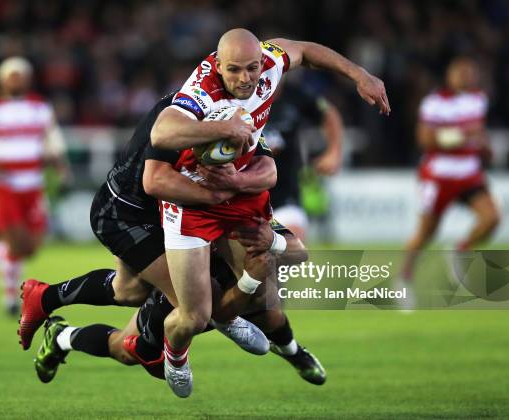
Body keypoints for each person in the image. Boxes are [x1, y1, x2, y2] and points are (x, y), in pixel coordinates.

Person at [150, 28, 389, 397]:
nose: (244, 79)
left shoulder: (271, 61)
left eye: (251, 68)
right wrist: (223, 127)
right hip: (191, 201)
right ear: (218, 65)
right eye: (233, 70)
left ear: (263, 61)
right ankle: (176, 354)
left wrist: (361, 74)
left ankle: (267, 332)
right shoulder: (201, 88)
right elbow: (161, 133)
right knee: (193, 318)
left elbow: (307, 49)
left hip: (239, 193)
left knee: (274, 285)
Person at [18, 92, 275, 354]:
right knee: (196, 308)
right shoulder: (179, 117)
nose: (246, 81)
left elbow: (267, 167)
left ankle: (51, 310)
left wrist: (235, 184)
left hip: (158, 212)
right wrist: (218, 195)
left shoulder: (232, 111)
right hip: (126, 213)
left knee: (129, 291)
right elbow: (154, 182)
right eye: (236, 69)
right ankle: (162, 346)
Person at [32, 218, 325, 387]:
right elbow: (221, 311)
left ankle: (294, 351)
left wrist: (273, 240)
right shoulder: (195, 211)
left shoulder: (249, 216)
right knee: (125, 349)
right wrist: (249, 280)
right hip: (181, 293)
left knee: (269, 312)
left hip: (219, 293)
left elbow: (299, 251)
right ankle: (62, 337)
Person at [0, 57, 69, 315]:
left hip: (33, 185)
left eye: (21, 75)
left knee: (32, 246)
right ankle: (9, 297)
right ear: (2, 79)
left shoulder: (40, 107)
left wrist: (61, 169)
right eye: (12, 75)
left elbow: (52, 143)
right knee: (17, 243)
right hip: (1, 185)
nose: (16, 79)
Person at [399, 56, 501, 306]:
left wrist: (484, 146)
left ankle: (459, 250)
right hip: (439, 175)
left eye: (470, 71)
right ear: (449, 75)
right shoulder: (434, 103)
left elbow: (479, 134)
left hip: (469, 173)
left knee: (492, 218)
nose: (466, 76)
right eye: (461, 71)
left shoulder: (478, 100)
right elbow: (425, 140)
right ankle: (403, 280)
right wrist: (462, 135)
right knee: (425, 233)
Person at [264, 76, 344, 241]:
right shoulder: (237, 97)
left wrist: (334, 151)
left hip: (285, 194)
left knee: (292, 247)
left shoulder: (297, 95)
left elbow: (329, 114)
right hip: (242, 197)